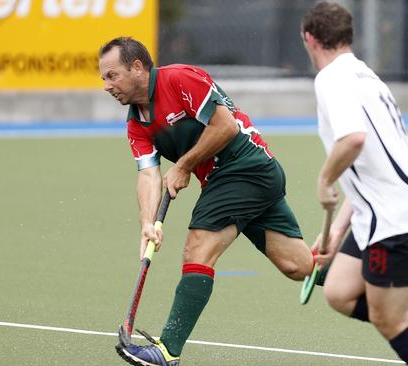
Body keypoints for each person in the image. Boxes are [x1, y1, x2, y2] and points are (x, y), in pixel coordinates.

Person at [98, 37, 316, 366]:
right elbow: (148, 175)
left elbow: (225, 126)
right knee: (299, 266)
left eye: (112, 75)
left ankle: (167, 351)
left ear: (138, 68)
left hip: (243, 167)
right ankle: (384, 276)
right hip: (240, 180)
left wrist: (183, 165)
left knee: (197, 248)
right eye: (103, 78)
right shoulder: (137, 123)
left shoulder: (179, 79)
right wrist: (147, 223)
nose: (106, 85)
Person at [301, 2, 408, 366]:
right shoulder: (366, 76)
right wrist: (336, 231)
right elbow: (369, 163)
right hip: (384, 214)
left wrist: (324, 179)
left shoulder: (330, 79)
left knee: (389, 318)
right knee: (339, 291)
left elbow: (353, 140)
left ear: (309, 39)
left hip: (394, 221)